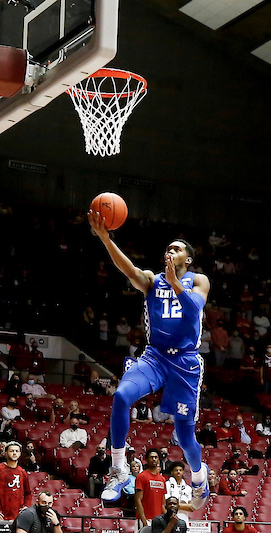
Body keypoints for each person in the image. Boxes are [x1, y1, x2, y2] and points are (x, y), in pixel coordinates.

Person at [89, 213, 212, 510]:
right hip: (155, 356)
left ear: (189, 258)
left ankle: (198, 476)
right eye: (167, 248)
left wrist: (176, 284)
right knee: (121, 396)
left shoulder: (197, 279)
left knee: (183, 435)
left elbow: (195, 308)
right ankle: (118, 470)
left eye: (176, 248)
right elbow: (128, 269)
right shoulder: (152, 281)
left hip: (185, 362)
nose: (169, 252)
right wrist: (106, 238)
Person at [133, 449, 168, 529]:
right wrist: (144, 520)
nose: (154, 459)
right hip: (145, 519)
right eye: (151, 457)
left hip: (158, 520)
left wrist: (166, 519)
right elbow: (138, 500)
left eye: (156, 457)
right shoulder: (141, 476)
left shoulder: (162, 479)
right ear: (147, 460)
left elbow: (163, 503)